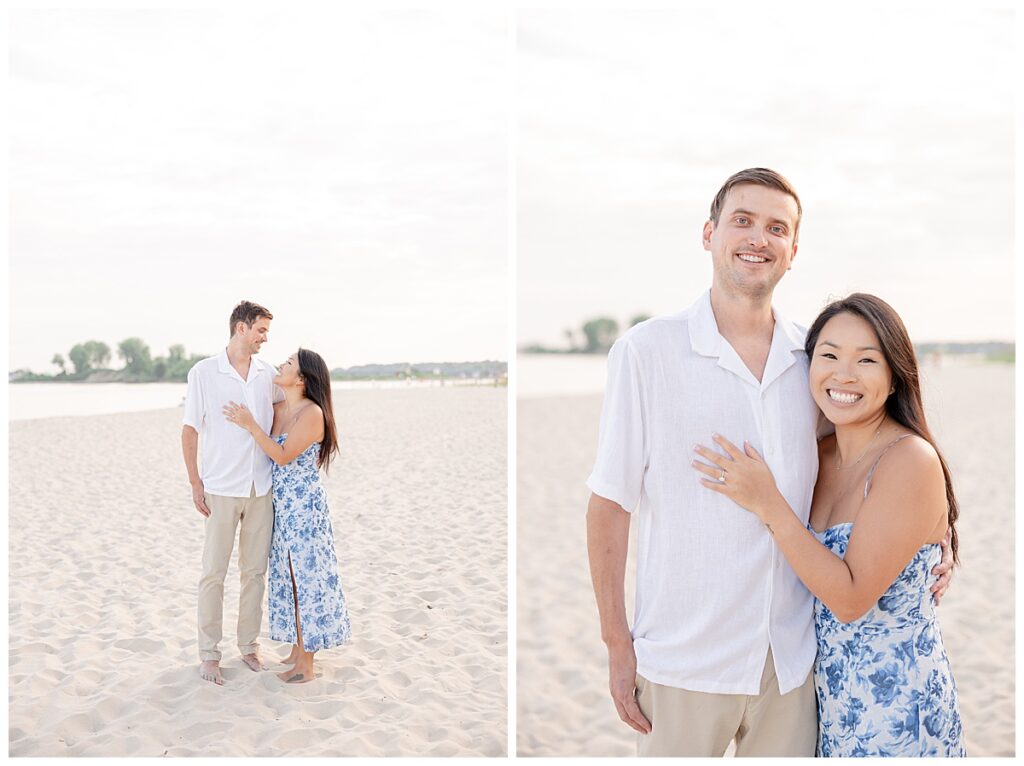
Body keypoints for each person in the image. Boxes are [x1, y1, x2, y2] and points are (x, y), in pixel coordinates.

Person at [585, 168, 954, 756]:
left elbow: (887, 458)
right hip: (686, 662)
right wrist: (615, 641)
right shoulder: (646, 352)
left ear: (793, 251)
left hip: (793, 668)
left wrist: (938, 541)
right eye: (742, 220)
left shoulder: (813, 359)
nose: (759, 238)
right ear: (708, 233)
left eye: (776, 227)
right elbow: (609, 503)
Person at [691, 294, 964, 756]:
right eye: (830, 355)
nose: (844, 374)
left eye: (866, 360)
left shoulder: (909, 460)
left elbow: (850, 599)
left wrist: (769, 504)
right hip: (833, 705)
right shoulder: (819, 454)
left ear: (895, 376)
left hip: (898, 711)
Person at [224, 348, 351, 683]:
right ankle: (297, 651)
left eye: (289, 363)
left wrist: (251, 426)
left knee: (305, 580)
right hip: (282, 506)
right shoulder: (283, 408)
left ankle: (306, 666)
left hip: (304, 508)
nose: (282, 364)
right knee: (291, 581)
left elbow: (281, 455)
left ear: (302, 378)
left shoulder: (312, 413)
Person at [182, 300, 281, 686]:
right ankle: (209, 654)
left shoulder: (268, 374)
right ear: (241, 327)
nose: (265, 338)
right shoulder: (204, 372)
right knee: (214, 574)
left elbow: (283, 419)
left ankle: (249, 647)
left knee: (254, 573)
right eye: (261, 330)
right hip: (220, 488)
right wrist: (195, 482)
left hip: (262, 488)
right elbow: (190, 430)